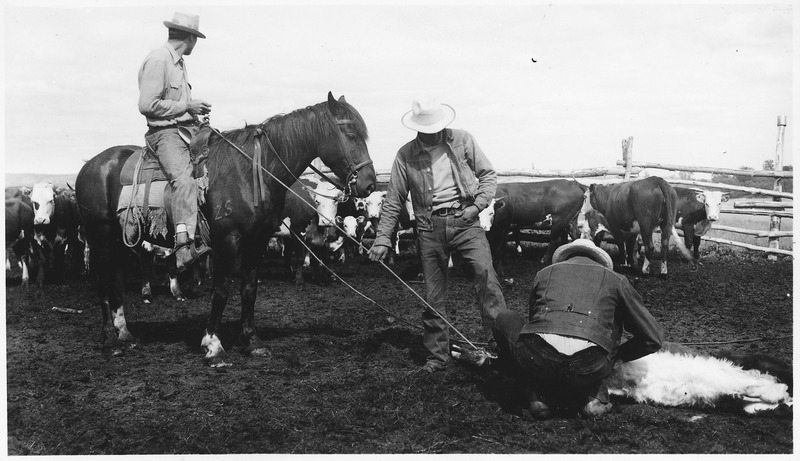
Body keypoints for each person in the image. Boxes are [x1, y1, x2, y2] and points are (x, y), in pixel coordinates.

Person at [368, 98, 507, 373]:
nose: (434, 132)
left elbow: (488, 175)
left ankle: (501, 346)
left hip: (465, 222)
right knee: (433, 295)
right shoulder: (405, 155)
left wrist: (476, 207)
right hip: (428, 227)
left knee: (486, 277)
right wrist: (383, 238)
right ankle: (437, 357)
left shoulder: (463, 140)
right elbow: (395, 198)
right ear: (417, 126)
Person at [486, 239, 664, 418]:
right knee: (610, 327)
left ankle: (535, 394)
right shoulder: (616, 280)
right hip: (590, 365)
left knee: (505, 318)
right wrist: (618, 356)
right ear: (600, 261)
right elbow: (653, 337)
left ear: (566, 258)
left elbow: (532, 323)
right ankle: (594, 399)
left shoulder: (544, 273)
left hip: (539, 358)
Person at [138, 11, 212, 272]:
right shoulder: (159, 60)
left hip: (184, 128)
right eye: (196, 39)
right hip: (164, 135)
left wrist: (192, 111)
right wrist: (186, 105)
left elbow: (176, 105)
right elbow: (146, 105)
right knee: (183, 180)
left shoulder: (179, 63)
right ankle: (183, 247)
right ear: (190, 38)